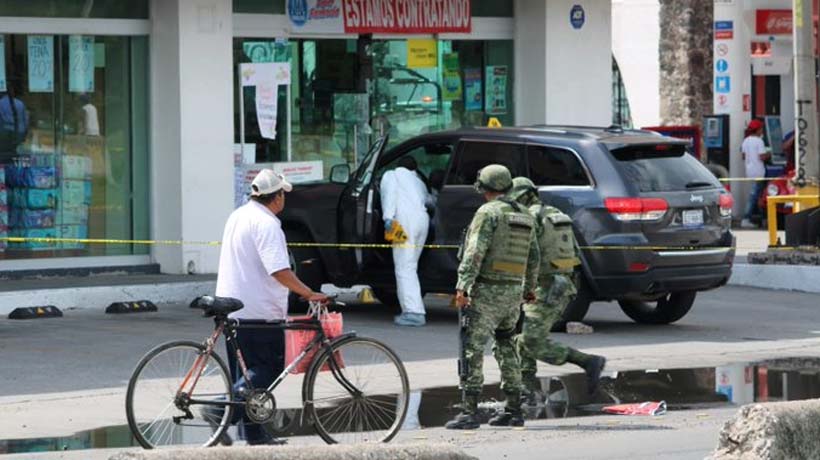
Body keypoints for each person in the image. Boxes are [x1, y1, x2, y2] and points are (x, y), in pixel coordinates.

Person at [213, 168, 328, 445]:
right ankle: (219, 409)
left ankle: (253, 434)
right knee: (268, 368)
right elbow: (279, 270)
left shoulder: (238, 215)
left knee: (248, 379)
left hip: (231, 308)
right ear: (276, 197)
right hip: (257, 312)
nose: (284, 200)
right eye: (282, 195)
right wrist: (308, 293)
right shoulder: (267, 224)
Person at [445, 164, 540, 430]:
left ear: (484, 187)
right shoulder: (525, 215)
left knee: (472, 349)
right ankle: (513, 410)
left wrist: (463, 286)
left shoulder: (487, 212)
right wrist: (529, 289)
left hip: (486, 291)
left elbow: (475, 250)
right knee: (507, 347)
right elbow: (534, 257)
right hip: (512, 293)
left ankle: (469, 412)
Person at [505, 177, 606, 402]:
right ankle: (526, 389)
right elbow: (574, 252)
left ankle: (587, 361)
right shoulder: (556, 215)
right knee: (523, 337)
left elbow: (525, 255)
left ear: (521, 197)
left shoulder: (529, 218)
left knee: (531, 339)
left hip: (544, 286)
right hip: (562, 283)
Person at [380, 156, 431, 326]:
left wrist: (388, 218)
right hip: (422, 221)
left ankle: (413, 312)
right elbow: (430, 200)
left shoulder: (392, 175)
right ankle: (412, 308)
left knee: (404, 267)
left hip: (403, 220)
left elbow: (389, 194)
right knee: (410, 266)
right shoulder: (418, 181)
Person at [741, 119, 769, 228]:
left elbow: (743, 156)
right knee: (754, 196)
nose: (762, 131)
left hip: (750, 171)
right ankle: (746, 218)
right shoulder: (759, 141)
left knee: (758, 196)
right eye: (761, 129)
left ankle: (763, 219)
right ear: (757, 130)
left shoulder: (746, 141)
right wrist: (770, 154)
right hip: (759, 172)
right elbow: (762, 156)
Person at [0, 87, 29, 164]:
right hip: (19, 133)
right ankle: (14, 165)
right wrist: (25, 133)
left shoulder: (0, 103)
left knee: (4, 153)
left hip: (4, 132)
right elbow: (25, 119)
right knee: (15, 151)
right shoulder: (20, 103)